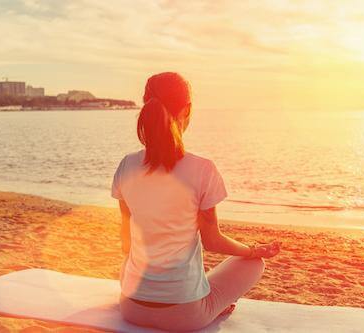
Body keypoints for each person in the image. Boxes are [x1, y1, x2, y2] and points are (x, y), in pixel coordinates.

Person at [111, 72, 280, 332]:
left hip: (131, 307)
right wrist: (253, 250)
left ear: (146, 105)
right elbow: (213, 241)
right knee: (253, 265)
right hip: (184, 317)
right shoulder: (202, 169)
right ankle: (213, 306)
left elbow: (126, 243)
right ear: (187, 110)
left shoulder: (127, 165)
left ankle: (207, 300)